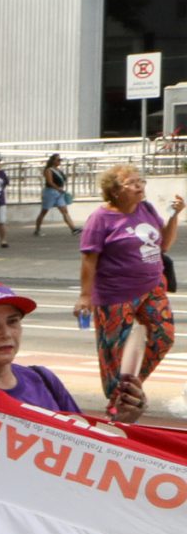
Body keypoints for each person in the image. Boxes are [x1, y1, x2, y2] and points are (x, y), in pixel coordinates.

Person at [0, 280, 143, 422]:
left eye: (13, 322)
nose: (6, 333)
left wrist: (122, 420)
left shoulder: (44, 379)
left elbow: (84, 446)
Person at [79, 163, 182, 404]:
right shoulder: (100, 218)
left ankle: (130, 386)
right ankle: (117, 402)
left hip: (152, 286)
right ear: (115, 191)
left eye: (141, 181)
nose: (140, 186)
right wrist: (85, 296)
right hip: (116, 293)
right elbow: (88, 258)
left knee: (163, 338)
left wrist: (174, 216)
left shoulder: (145, 208)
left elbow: (163, 245)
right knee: (112, 354)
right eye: (132, 183)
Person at [34, 151, 76, 235]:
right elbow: (50, 182)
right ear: (53, 161)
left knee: (64, 211)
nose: (59, 162)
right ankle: (37, 229)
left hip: (59, 193)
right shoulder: (48, 170)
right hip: (50, 192)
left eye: (60, 160)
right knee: (44, 211)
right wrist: (58, 188)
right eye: (58, 160)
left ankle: (73, 228)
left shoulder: (59, 170)